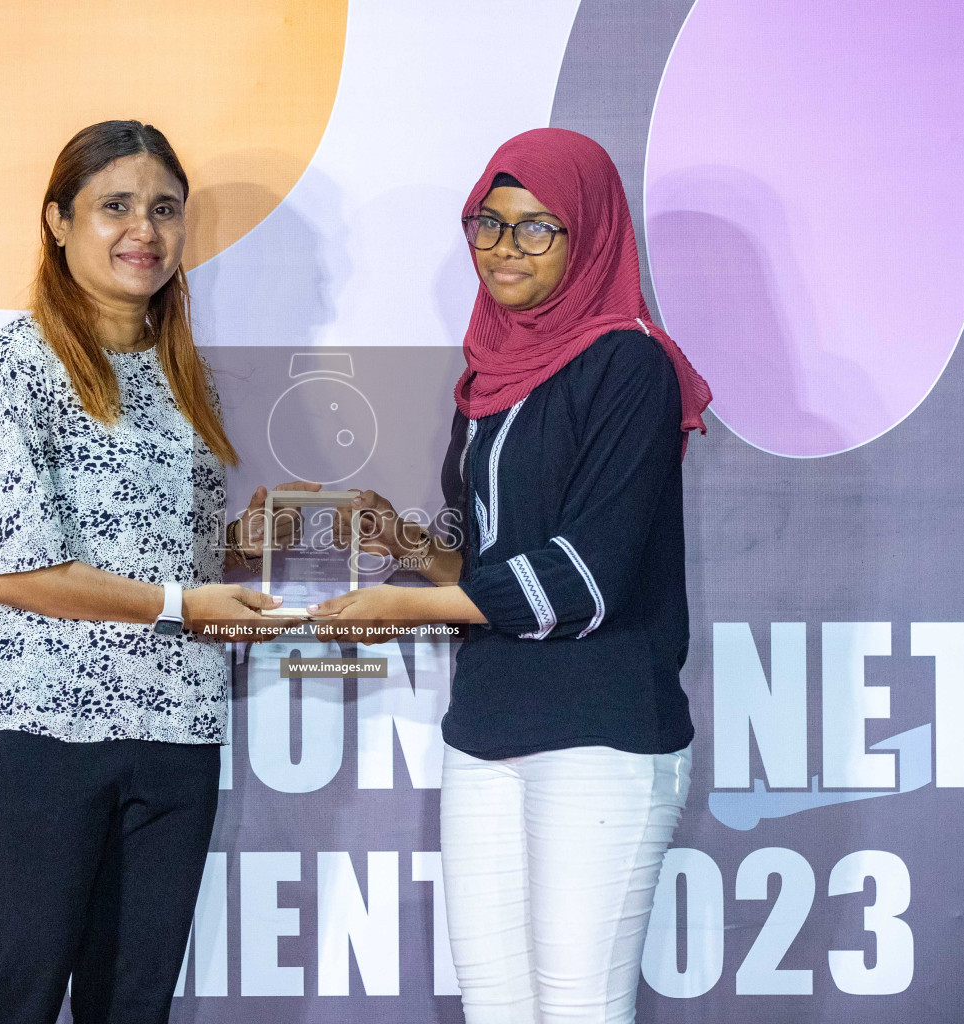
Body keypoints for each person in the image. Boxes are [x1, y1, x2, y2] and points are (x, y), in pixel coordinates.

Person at [0, 120, 307, 1024]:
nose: (146, 231)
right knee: (20, 997)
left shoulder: (184, 377)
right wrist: (181, 603)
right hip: (42, 737)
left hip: (175, 738)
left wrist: (271, 546)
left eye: (165, 209)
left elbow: (185, 561)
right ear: (57, 222)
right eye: (115, 206)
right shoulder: (14, 365)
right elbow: (3, 571)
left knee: (134, 1006)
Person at [311, 127, 713, 1023]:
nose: (503, 249)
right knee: (496, 1010)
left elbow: (584, 578)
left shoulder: (629, 363)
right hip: (487, 726)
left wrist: (403, 612)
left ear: (591, 233)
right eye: (487, 225)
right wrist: (406, 547)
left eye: (537, 228)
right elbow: (497, 568)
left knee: (578, 1010)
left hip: (599, 731)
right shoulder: (491, 372)